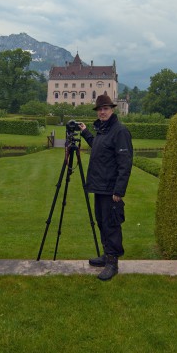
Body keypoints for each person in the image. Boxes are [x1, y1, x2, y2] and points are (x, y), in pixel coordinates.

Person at [78, 94, 133, 281]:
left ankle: (112, 263)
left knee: (111, 224)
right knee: (101, 221)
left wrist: (119, 190)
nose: (102, 112)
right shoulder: (103, 131)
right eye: (100, 109)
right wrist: (86, 132)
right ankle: (106, 254)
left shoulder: (119, 131)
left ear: (112, 109)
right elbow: (99, 147)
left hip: (110, 189)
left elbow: (125, 163)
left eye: (105, 109)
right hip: (99, 186)